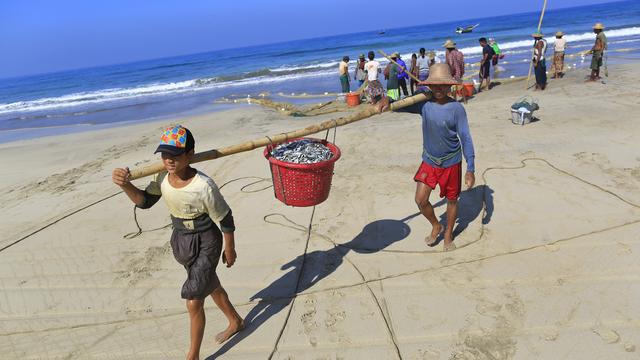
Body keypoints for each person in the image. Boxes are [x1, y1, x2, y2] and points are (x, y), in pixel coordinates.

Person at [112, 125, 244, 360]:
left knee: (194, 300)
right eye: (164, 154)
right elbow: (144, 202)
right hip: (181, 239)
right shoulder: (162, 176)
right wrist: (125, 184)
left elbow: (225, 218)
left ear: (189, 154)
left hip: (207, 241)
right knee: (209, 284)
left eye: (175, 154)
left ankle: (192, 356)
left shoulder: (203, 185)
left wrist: (229, 247)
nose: (169, 160)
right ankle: (235, 321)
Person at [409, 64, 476, 251]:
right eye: (435, 85)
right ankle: (436, 225)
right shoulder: (423, 105)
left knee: (452, 200)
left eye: (443, 85)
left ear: (450, 86)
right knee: (420, 200)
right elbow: (398, 105)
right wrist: (385, 101)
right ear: (429, 86)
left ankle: (448, 234)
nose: (439, 89)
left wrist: (470, 168)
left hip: (452, 162)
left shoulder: (456, 109)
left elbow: (466, 137)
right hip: (429, 161)